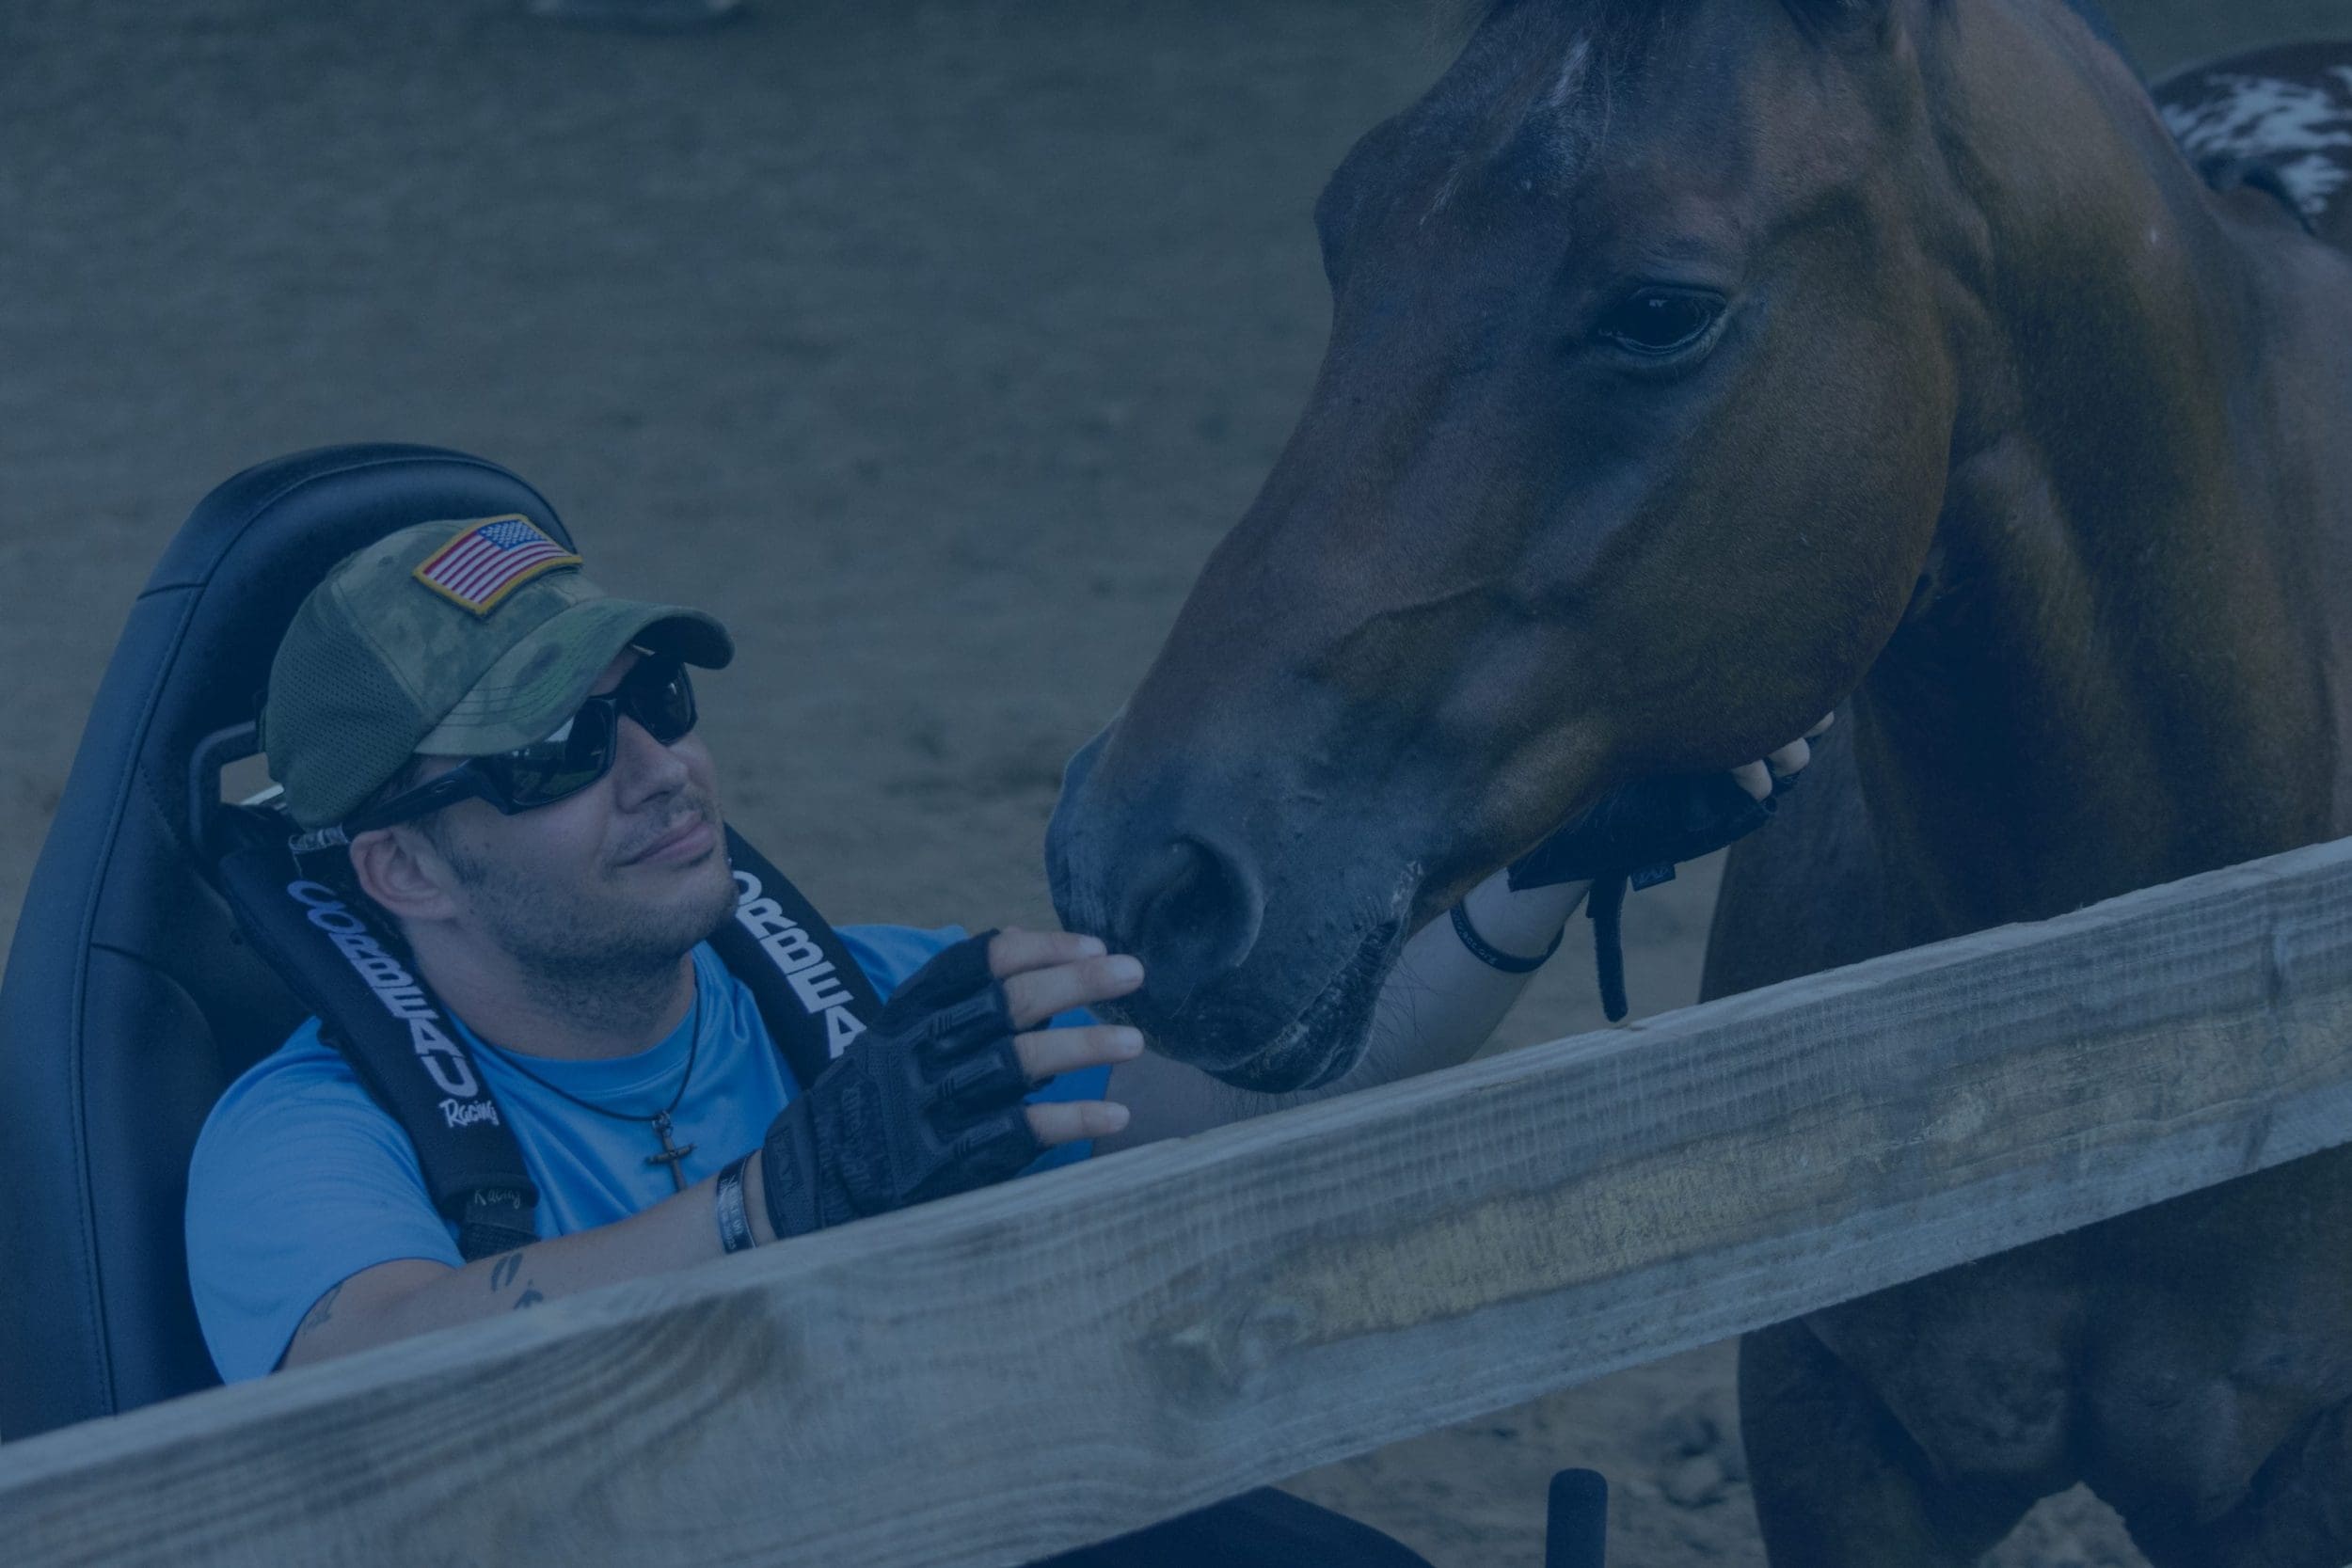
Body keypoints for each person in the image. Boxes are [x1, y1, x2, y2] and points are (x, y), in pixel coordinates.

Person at [185, 513, 1812, 1560]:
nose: (656, 769)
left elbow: (1248, 1101)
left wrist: (1530, 876)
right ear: (404, 869)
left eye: (655, 701)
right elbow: (362, 1379)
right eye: (554, 753)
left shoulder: (863, 1004)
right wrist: (770, 1207)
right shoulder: (303, 1135)